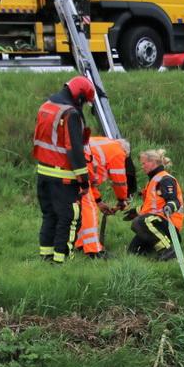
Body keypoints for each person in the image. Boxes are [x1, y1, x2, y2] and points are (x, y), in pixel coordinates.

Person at [32, 76, 95, 263]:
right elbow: (74, 149)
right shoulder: (70, 114)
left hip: (43, 172)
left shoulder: (46, 106)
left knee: (49, 215)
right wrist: (84, 180)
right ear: (80, 96)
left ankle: (46, 256)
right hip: (63, 176)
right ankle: (62, 260)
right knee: (68, 218)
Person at [75, 136, 136, 259]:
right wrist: (122, 200)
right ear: (125, 152)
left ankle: (81, 244)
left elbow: (90, 182)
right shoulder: (118, 152)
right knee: (90, 210)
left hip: (71, 171)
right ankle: (93, 251)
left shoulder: (104, 144)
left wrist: (99, 201)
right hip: (78, 173)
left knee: (81, 212)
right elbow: (119, 181)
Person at [124, 149, 184, 261]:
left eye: (144, 163)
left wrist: (169, 207)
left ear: (153, 162)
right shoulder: (153, 180)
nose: (142, 167)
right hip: (154, 223)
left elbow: (174, 201)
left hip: (169, 224)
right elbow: (153, 206)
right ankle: (158, 249)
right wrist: (136, 211)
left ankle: (168, 251)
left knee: (138, 222)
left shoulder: (165, 179)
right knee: (132, 252)